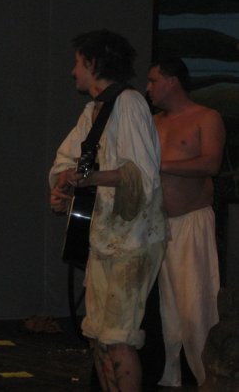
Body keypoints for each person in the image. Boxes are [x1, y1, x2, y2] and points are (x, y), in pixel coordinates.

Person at [49, 30, 168, 392]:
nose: (73, 72)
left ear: (93, 63)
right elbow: (67, 160)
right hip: (104, 238)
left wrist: (91, 178)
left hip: (133, 240)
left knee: (118, 338)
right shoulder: (93, 111)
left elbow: (141, 175)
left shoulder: (130, 103)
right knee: (98, 336)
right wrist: (63, 185)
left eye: (78, 63)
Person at [147, 58, 224, 387]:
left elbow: (211, 163)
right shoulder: (152, 122)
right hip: (156, 226)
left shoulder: (206, 117)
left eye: (153, 80)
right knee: (165, 313)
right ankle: (169, 378)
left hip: (191, 224)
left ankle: (209, 378)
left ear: (172, 81)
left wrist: (160, 164)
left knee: (195, 307)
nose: (148, 88)